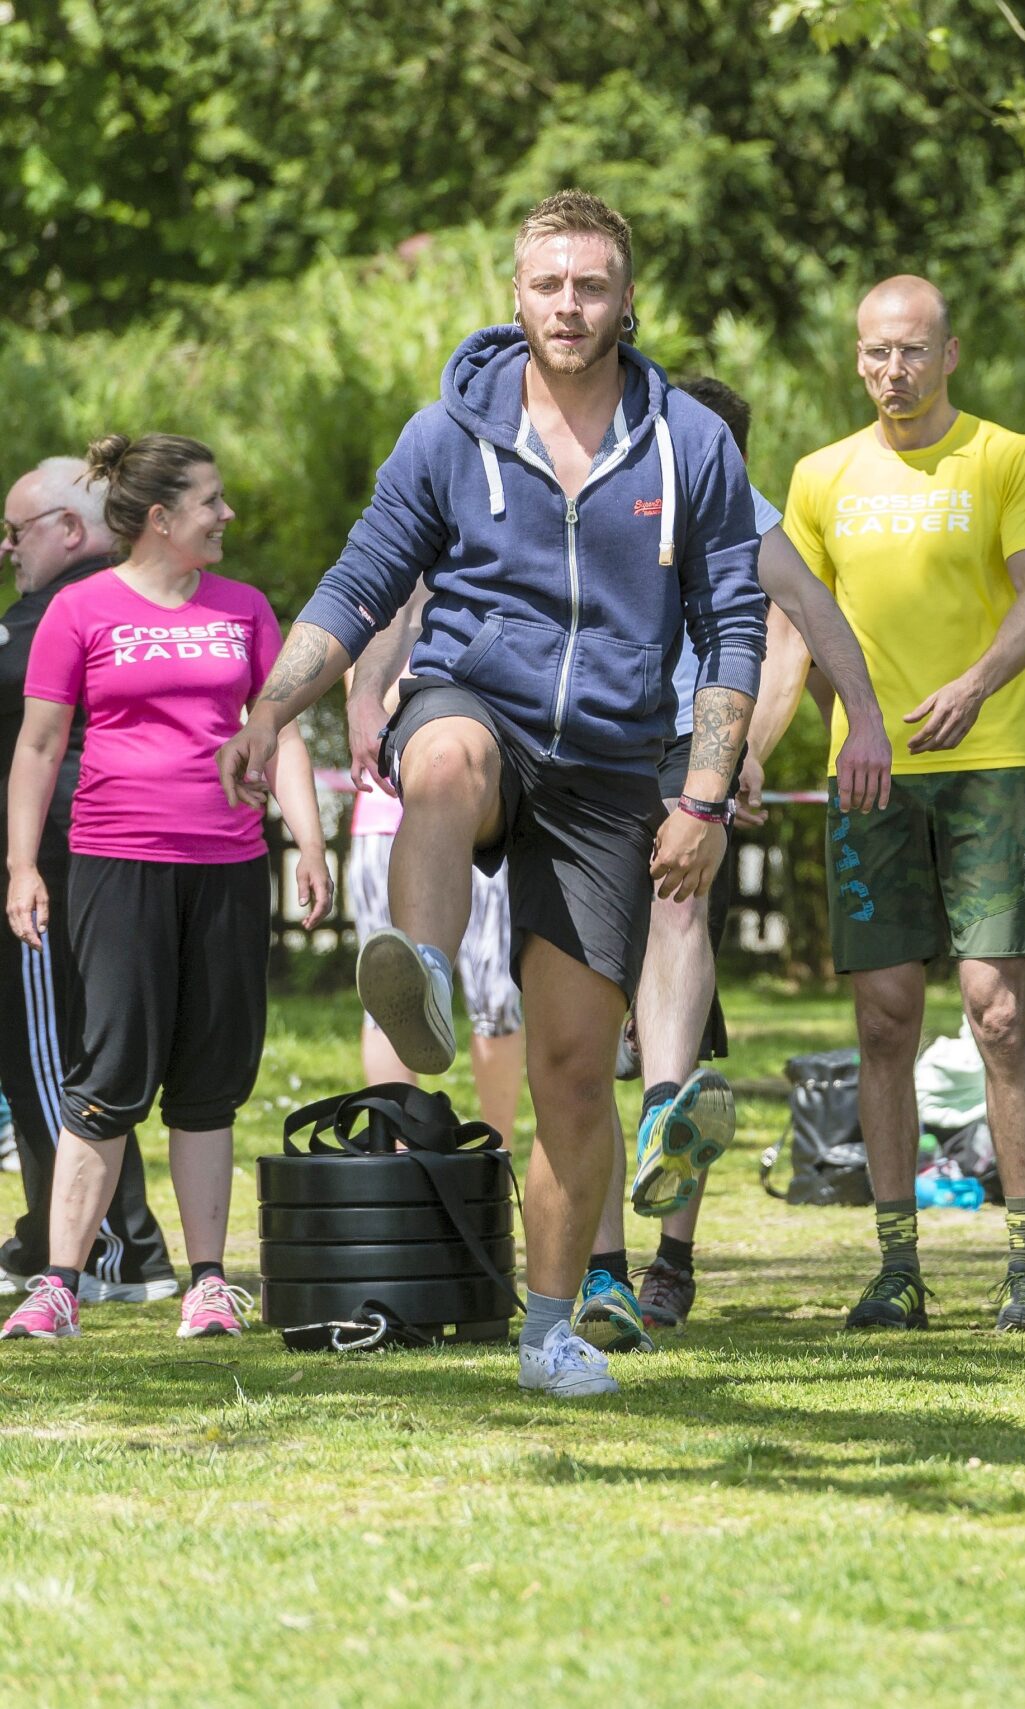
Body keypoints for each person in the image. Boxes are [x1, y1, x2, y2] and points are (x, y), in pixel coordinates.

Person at [217, 191, 769, 1398]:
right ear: (512, 296)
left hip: (615, 764)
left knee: (573, 1070)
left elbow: (734, 625)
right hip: (478, 695)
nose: (568, 305)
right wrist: (272, 703)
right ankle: (415, 971)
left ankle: (553, 1325)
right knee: (447, 756)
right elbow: (364, 578)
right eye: (548, 283)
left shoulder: (690, 444)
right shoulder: (447, 435)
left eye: (591, 285)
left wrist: (708, 797)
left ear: (628, 299)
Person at [576, 373, 892, 1345]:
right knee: (583, 1020)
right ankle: (608, 1270)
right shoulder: (588, 482)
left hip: (688, 741)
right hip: (589, 750)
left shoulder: (741, 509)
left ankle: (666, 1239)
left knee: (675, 933)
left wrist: (756, 746)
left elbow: (797, 627)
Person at [782, 275, 1025, 1334]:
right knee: (883, 1017)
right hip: (871, 776)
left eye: (910, 351)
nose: (890, 371)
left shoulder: (1007, 457)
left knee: (997, 1012)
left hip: (986, 761)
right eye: (872, 353)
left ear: (950, 353)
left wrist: (974, 684)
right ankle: (896, 1265)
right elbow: (797, 627)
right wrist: (765, 748)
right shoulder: (819, 476)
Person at [1, 435, 329, 1343]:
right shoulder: (80, 610)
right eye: (211, 501)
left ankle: (210, 1282)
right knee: (107, 1075)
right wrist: (23, 865)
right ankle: (59, 1281)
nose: (226, 516)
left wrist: (306, 840)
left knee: (207, 1085)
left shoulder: (247, 608)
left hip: (226, 868)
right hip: (115, 865)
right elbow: (37, 748)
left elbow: (284, 735)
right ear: (160, 517)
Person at [0, 457, 176, 1304]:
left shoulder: (63, 613)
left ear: (71, 530)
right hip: (94, 860)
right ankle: (53, 1232)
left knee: (51, 1057)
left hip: (63, 864)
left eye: (17, 530)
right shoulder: (122, 602)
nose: (7, 549)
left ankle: (115, 1247)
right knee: (73, 1051)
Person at [342, 711, 525, 1138]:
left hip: (480, 823)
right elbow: (373, 709)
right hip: (383, 824)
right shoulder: (378, 641)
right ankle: (402, 1162)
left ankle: (496, 1152)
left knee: (496, 1001)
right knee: (389, 998)